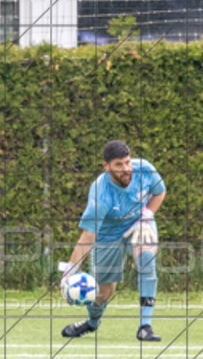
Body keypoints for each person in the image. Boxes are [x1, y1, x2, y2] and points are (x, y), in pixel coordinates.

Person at [58, 140, 166, 341]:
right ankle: (91, 323)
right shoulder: (100, 195)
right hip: (108, 235)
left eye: (127, 162)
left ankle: (145, 327)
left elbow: (159, 192)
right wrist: (69, 272)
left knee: (146, 260)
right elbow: (88, 236)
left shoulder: (144, 170)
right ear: (106, 167)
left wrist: (146, 216)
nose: (126, 169)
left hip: (139, 225)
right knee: (102, 293)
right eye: (119, 165)